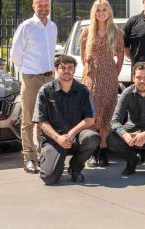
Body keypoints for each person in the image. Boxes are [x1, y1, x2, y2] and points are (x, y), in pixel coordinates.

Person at [33, 55, 100, 185]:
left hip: (75, 137)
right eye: (62, 68)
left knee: (93, 138)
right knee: (49, 178)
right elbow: (41, 121)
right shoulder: (45, 91)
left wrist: (72, 133)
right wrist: (58, 138)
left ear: (74, 70)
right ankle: (54, 159)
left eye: (70, 68)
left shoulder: (84, 91)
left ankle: (75, 168)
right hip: (53, 140)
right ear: (56, 69)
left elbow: (90, 119)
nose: (66, 71)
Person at [11, 0, 58, 174]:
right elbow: (15, 54)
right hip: (31, 78)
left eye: (46, 5)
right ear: (34, 6)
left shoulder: (52, 27)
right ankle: (29, 158)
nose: (44, 8)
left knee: (45, 119)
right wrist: (27, 72)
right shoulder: (27, 27)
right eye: (40, 5)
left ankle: (43, 155)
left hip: (48, 78)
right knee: (29, 119)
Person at [79, 0, 124, 167]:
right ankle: (92, 152)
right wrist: (91, 72)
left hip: (109, 78)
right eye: (98, 10)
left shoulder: (117, 33)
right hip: (91, 78)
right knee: (92, 114)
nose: (101, 13)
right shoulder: (86, 32)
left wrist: (113, 74)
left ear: (109, 12)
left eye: (104, 9)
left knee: (106, 114)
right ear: (94, 13)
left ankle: (103, 151)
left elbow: (120, 57)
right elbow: (84, 58)